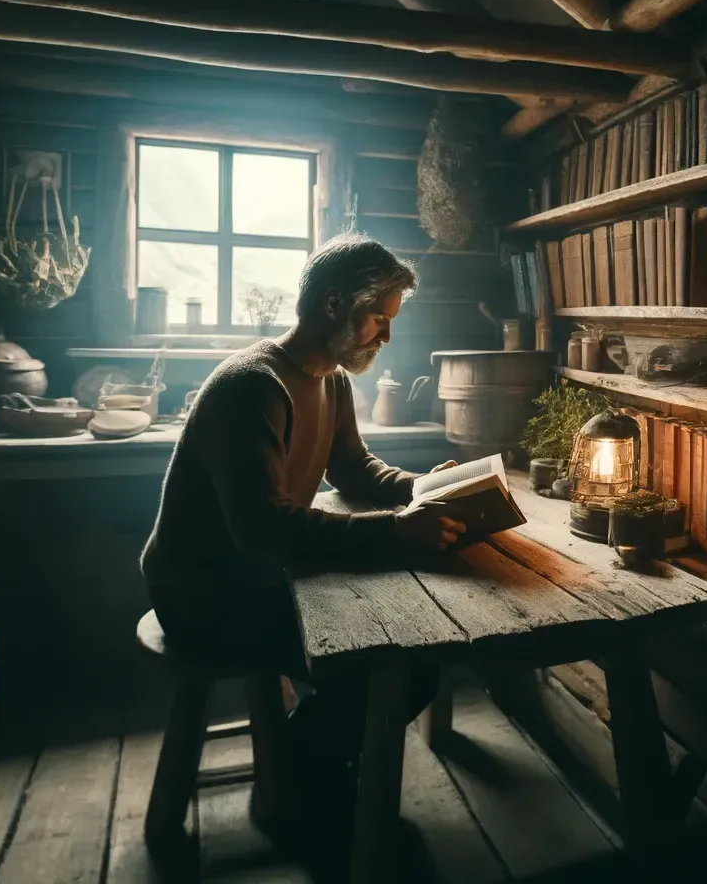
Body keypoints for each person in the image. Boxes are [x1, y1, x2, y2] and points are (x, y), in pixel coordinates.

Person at [140, 231, 467, 846]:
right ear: (333, 304)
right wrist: (399, 533)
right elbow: (262, 529)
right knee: (381, 665)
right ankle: (299, 793)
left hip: (254, 577)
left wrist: (421, 488)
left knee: (412, 662)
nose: (386, 335)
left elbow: (355, 469)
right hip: (199, 593)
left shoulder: (333, 379)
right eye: (378, 318)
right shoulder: (252, 386)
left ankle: (303, 776)